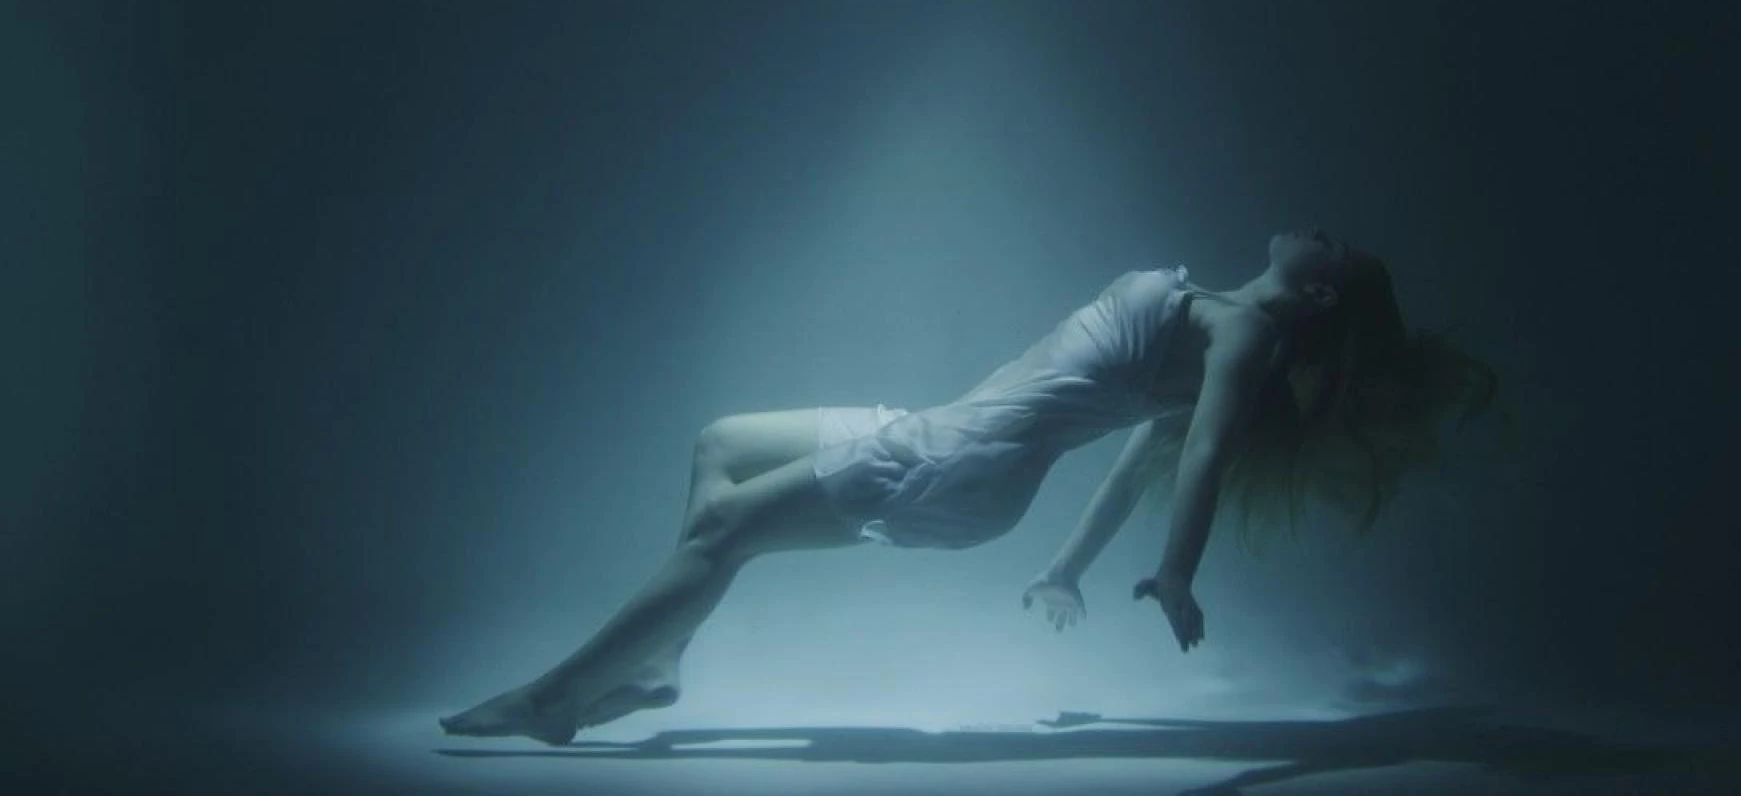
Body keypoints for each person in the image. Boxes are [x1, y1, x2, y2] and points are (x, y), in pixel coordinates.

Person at [440, 228, 1498, 745]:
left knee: (723, 527)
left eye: (1334, 249)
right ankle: (657, 658)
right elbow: (1136, 461)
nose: (1319, 229)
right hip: (941, 432)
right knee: (720, 444)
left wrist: (1178, 574)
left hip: (955, 461)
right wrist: (1066, 568)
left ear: (1318, 292)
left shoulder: (1245, 338)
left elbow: (1205, 457)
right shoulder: (1217, 319)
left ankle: (554, 698)